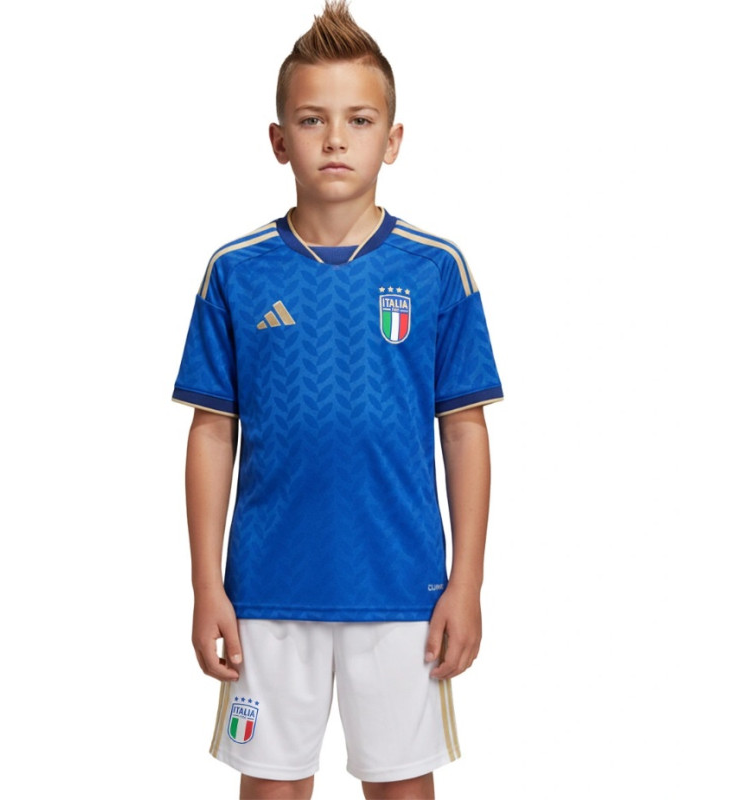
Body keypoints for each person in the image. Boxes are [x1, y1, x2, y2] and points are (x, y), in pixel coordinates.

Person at [172, 2, 503, 797]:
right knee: (272, 787)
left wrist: (467, 582)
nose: (334, 139)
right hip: (265, 592)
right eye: (312, 119)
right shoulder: (236, 271)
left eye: (359, 120)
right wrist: (206, 585)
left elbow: (464, 431)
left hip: (402, 590)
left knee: (400, 786)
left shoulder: (435, 269)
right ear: (278, 139)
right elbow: (212, 432)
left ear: (392, 139)